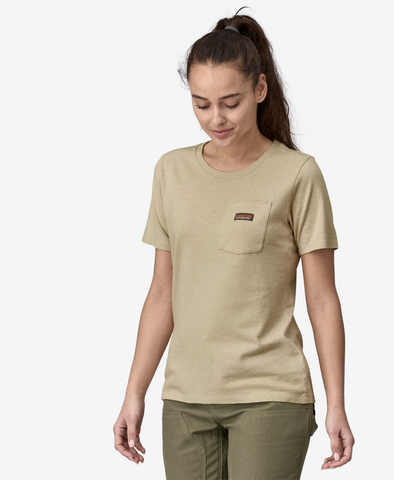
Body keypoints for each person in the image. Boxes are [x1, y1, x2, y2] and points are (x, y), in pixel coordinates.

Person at [113, 6, 355, 479]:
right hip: (185, 397)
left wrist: (337, 403)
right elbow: (162, 292)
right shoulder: (171, 171)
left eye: (230, 102)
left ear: (259, 89)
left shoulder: (298, 174)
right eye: (201, 104)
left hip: (270, 394)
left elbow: (323, 299)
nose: (215, 118)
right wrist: (133, 393)